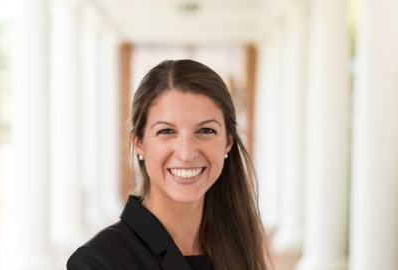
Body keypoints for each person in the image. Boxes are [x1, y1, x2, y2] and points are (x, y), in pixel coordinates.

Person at [67, 60, 270, 270]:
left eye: (206, 131)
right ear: (139, 143)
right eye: (166, 131)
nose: (186, 153)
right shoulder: (98, 261)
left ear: (228, 142)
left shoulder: (238, 244)